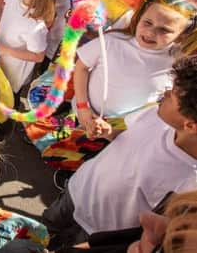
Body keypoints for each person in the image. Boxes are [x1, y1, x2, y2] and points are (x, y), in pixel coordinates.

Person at [43, 56, 197, 249]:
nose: (164, 93)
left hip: (96, 232)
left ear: (190, 125)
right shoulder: (156, 115)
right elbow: (127, 137)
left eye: (172, 94)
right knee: (40, 230)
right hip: (77, 192)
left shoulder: (189, 184)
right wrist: (108, 132)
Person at [74, 0, 196, 139]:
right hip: (84, 111)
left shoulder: (177, 63)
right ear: (139, 18)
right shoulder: (112, 41)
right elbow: (81, 68)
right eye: (147, 23)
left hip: (122, 129)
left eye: (164, 30)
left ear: (182, 35)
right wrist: (83, 108)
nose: (150, 33)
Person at [0, 0, 58, 96]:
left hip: (12, 78)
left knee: (4, 106)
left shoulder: (36, 27)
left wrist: (6, 50)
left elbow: (38, 56)